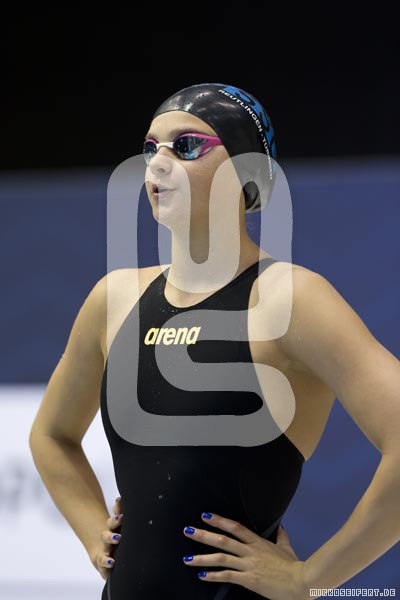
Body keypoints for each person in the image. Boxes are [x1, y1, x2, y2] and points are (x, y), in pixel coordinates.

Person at [29, 83, 400, 600]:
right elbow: (51, 436)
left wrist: (310, 579)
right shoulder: (113, 299)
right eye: (150, 148)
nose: (158, 164)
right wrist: (96, 535)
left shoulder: (290, 299)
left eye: (185, 146)